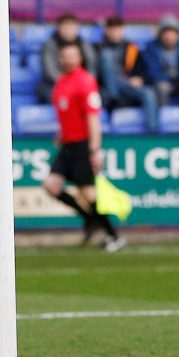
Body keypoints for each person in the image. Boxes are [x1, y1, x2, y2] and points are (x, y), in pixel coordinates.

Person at [42, 43, 126, 252]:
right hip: (68, 144)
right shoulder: (61, 82)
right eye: (65, 56)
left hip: (82, 145)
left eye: (73, 55)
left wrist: (95, 150)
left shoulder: (85, 81)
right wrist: (62, 134)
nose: (69, 59)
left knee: (89, 195)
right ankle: (91, 220)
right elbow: (69, 114)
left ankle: (113, 236)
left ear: (80, 58)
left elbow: (93, 119)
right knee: (51, 186)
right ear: (60, 59)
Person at [96, 16, 159, 132]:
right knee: (106, 56)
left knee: (149, 93)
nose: (115, 32)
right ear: (107, 30)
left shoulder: (131, 47)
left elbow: (143, 68)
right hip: (105, 87)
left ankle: (153, 131)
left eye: (118, 29)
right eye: (112, 29)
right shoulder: (99, 47)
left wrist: (140, 78)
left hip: (126, 85)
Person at [37, 13, 99, 105]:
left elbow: (91, 68)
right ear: (59, 28)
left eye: (71, 27)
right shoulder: (50, 45)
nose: (68, 31)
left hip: (80, 84)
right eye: (65, 27)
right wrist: (68, 84)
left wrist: (82, 83)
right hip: (56, 85)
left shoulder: (84, 45)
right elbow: (50, 71)